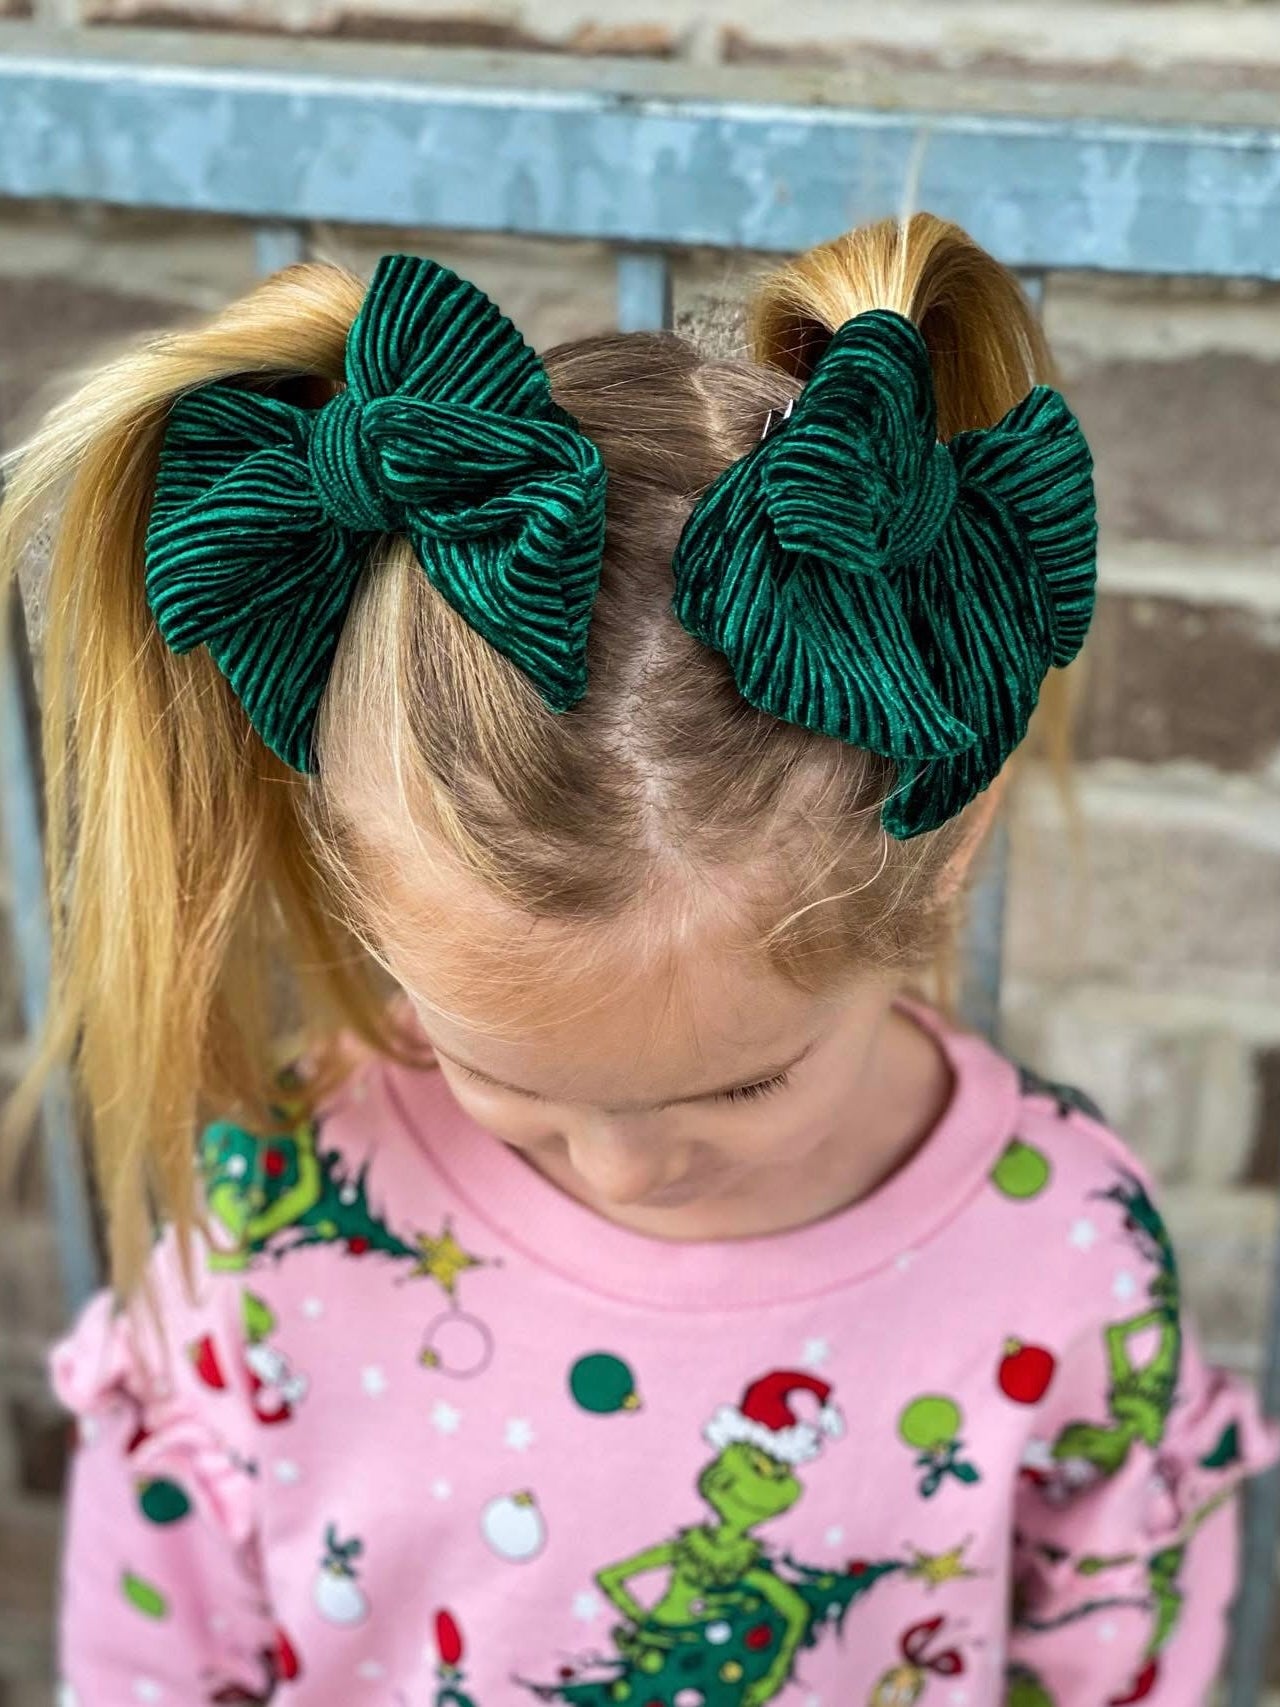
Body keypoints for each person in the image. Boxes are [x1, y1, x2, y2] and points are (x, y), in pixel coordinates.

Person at [1, 212, 1272, 1707]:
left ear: (950, 838)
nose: (624, 1169)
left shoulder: (1061, 1258)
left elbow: (1121, 1657)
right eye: (504, 1077)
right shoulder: (280, 1231)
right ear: (351, 882)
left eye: (742, 1087)